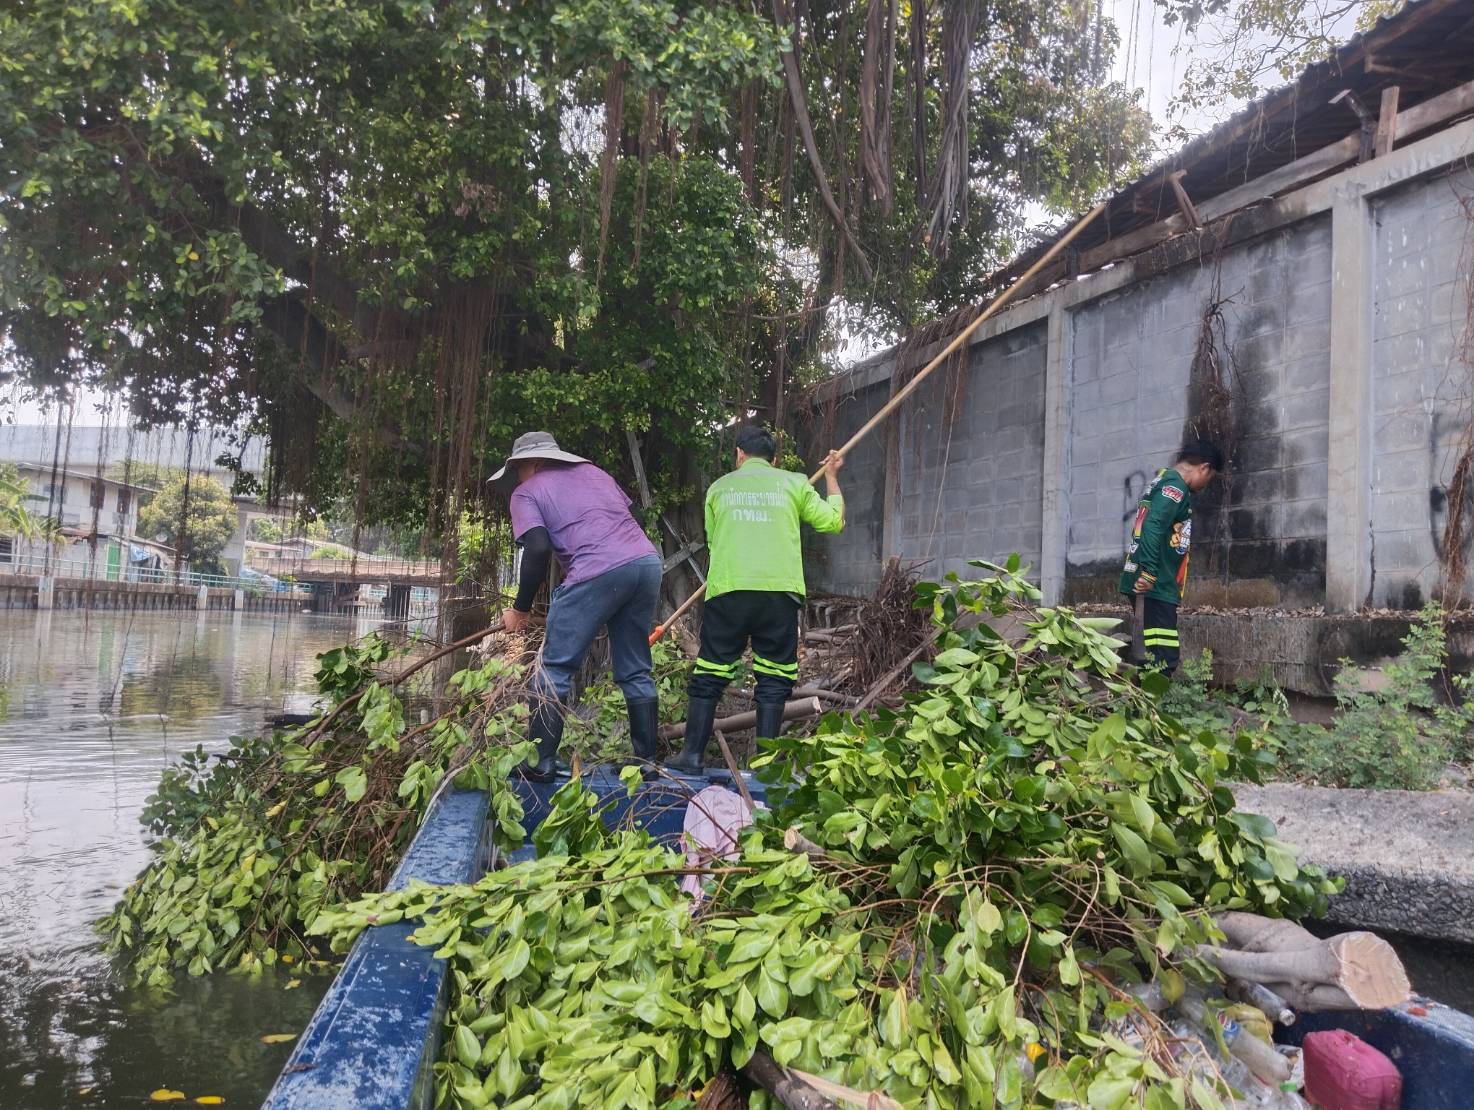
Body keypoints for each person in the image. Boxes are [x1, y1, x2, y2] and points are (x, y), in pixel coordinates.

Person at [666, 426, 845, 775]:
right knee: (774, 676)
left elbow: (714, 541)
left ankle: (692, 757)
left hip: (729, 591)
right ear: (775, 459)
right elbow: (833, 522)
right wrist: (832, 477)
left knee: (711, 671)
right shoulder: (795, 484)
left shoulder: (719, 488)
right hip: (779, 594)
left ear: (739, 454)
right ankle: (766, 767)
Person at [490, 431, 663, 781]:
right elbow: (636, 519)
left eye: (519, 468)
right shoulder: (597, 474)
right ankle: (647, 762)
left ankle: (541, 762)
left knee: (554, 668)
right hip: (646, 564)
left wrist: (520, 609)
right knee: (635, 668)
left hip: (595, 570)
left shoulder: (527, 492)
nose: (518, 477)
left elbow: (538, 548)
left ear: (534, 463)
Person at [1118, 440, 1223, 675]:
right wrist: (1149, 572)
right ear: (1204, 468)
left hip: (1155, 583)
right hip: (1155, 584)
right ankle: (1149, 699)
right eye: (1209, 478)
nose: (1206, 485)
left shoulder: (1163, 481)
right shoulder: (1175, 488)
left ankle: (1142, 697)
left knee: (1153, 656)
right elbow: (1153, 525)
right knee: (1163, 658)